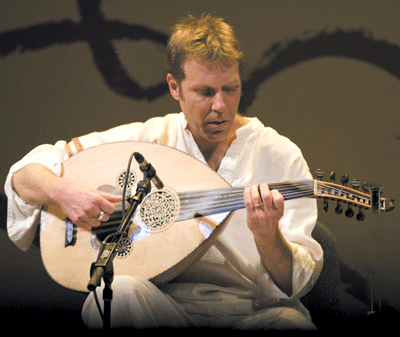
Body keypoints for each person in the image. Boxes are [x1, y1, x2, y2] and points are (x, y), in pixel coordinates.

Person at [5, 14, 323, 329]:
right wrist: (63, 192)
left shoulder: (280, 155)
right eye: (206, 92)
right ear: (175, 87)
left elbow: (296, 284)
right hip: (161, 305)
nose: (221, 106)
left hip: (253, 310)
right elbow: (25, 174)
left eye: (231, 88)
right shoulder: (151, 139)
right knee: (117, 293)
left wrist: (269, 238)